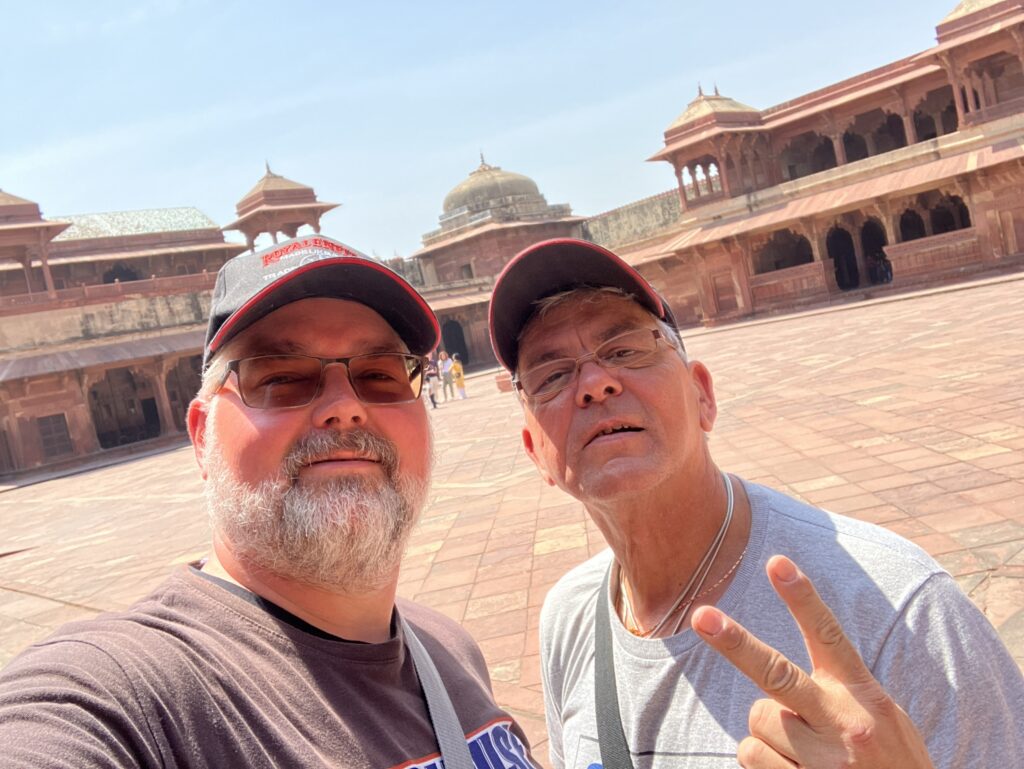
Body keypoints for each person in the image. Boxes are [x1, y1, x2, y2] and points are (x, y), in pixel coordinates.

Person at [0, 235, 539, 769]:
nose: (345, 408)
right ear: (201, 437)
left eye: (381, 375)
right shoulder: (135, 696)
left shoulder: (448, 651)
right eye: (281, 378)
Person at [487, 237, 1023, 769]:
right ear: (537, 452)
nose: (595, 384)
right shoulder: (569, 617)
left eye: (625, 350)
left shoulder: (894, 607)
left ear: (703, 396)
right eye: (553, 375)